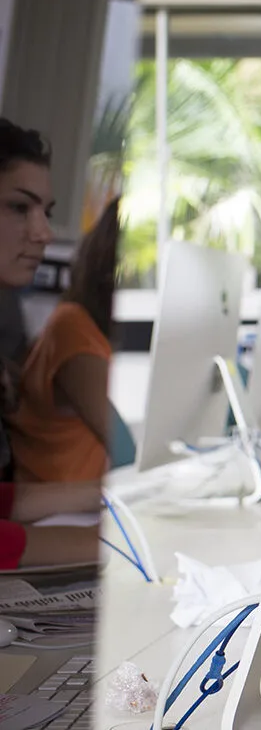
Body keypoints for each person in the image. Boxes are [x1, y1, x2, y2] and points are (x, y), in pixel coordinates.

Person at [0, 117, 101, 568]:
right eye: (20, 208)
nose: (44, 233)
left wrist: (100, 496)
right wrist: (116, 546)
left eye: (45, 210)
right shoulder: (71, 326)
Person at [8, 198, 119, 483]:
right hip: (53, 512)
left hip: (78, 506)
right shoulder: (73, 328)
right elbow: (128, 445)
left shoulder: (94, 328)